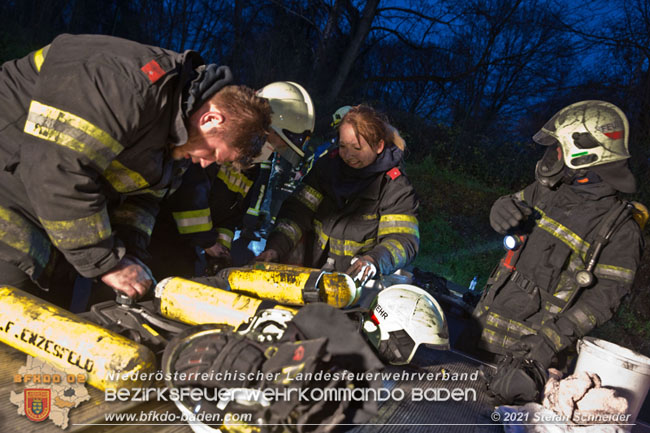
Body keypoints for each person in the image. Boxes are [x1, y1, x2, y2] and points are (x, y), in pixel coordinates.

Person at [0, 33, 271, 307]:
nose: (206, 163)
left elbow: (143, 199)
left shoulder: (174, 142)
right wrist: (107, 262)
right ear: (211, 119)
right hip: (11, 197)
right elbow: (57, 170)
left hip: (50, 223)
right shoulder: (126, 83)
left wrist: (132, 255)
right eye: (214, 152)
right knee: (14, 315)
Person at [473, 100, 645, 403]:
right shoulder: (545, 190)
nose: (552, 155)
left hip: (527, 360)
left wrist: (547, 343)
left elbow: (603, 301)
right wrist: (500, 208)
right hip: (480, 331)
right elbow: (512, 206)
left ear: (585, 153)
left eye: (558, 148)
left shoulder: (621, 229)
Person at [148, 81, 315, 278]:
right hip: (159, 236)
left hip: (190, 246)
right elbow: (189, 192)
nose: (268, 151)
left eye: (277, 149)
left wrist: (222, 250)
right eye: (270, 143)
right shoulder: (212, 147)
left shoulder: (252, 168)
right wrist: (208, 241)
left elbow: (232, 214)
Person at [256, 104, 420, 286]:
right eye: (343, 146)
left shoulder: (395, 187)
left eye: (357, 148)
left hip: (356, 286)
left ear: (379, 146)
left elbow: (403, 240)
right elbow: (298, 212)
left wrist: (372, 262)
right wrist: (275, 248)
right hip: (309, 274)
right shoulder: (328, 167)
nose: (348, 155)